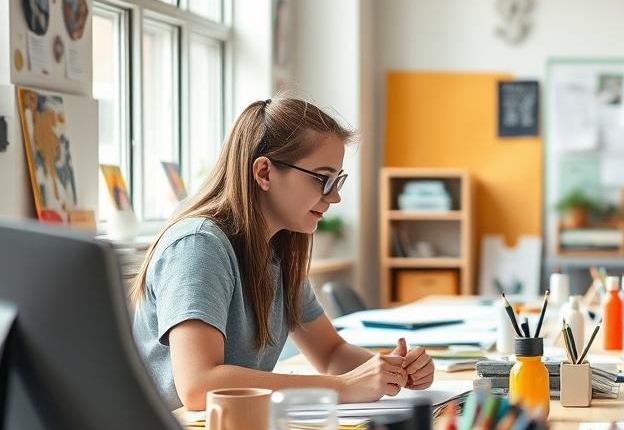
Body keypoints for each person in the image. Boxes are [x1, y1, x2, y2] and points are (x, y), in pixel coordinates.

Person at [131, 96, 434, 411]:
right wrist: (342, 387)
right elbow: (199, 386)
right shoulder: (199, 246)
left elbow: (330, 353)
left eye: (337, 180)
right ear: (264, 173)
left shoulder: (277, 249)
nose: (335, 196)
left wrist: (390, 370)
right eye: (322, 179)